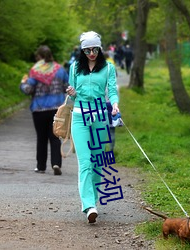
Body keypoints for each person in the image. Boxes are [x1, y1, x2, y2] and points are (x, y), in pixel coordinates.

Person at [66, 31, 119, 223]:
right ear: (82, 50)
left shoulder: (108, 68)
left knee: (98, 162)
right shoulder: (74, 68)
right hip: (79, 116)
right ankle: (89, 205)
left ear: (100, 48)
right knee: (85, 162)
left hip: (99, 116)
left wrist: (114, 104)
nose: (91, 53)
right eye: (87, 50)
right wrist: (71, 92)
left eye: (94, 49)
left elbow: (112, 90)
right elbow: (72, 97)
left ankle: (94, 200)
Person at [20, 45, 69, 175]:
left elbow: (28, 90)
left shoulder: (35, 71)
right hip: (56, 109)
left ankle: (41, 166)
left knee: (41, 138)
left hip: (39, 109)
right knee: (55, 137)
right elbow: (67, 87)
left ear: (39, 57)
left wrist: (23, 83)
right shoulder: (60, 70)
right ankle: (56, 163)